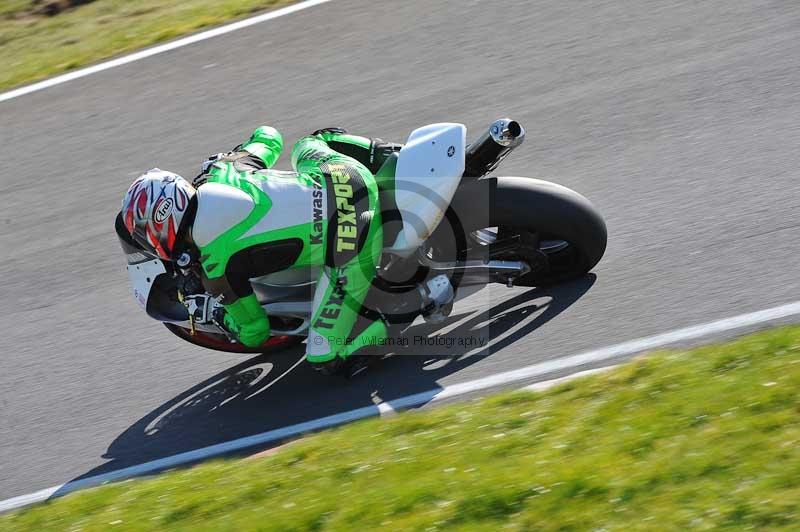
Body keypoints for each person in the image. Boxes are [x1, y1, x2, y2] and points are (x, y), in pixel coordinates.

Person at [119, 126, 399, 374]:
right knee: (311, 141)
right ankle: (386, 154)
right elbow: (269, 136)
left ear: (160, 227)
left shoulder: (214, 264)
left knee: (324, 356)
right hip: (345, 174)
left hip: (351, 237)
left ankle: (393, 315)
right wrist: (227, 156)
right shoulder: (221, 172)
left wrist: (218, 314)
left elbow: (255, 332)